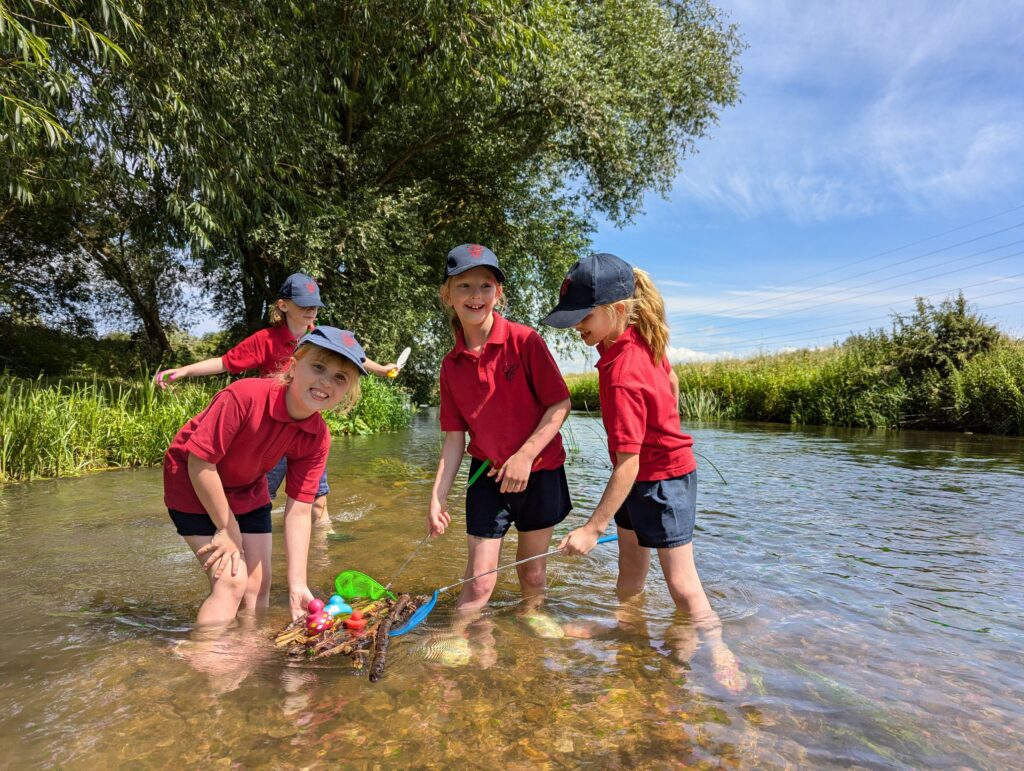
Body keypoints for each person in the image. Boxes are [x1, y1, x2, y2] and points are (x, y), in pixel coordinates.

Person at [541, 252, 746, 692]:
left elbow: (628, 461)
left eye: (584, 317)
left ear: (616, 309)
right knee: (630, 567)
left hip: (663, 481)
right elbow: (670, 384)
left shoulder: (621, 371)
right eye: (574, 319)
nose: (578, 328)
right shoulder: (638, 341)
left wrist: (592, 529)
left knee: (681, 583)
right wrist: (664, 420)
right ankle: (626, 628)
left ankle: (718, 646)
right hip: (642, 478)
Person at [154, 273, 400, 526]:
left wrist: (381, 369)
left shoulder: (322, 339)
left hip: (304, 433)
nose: (311, 311)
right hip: (267, 432)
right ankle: (238, 533)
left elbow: (351, 359)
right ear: (283, 306)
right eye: (304, 305)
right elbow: (226, 362)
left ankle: (322, 549)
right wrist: (184, 370)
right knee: (260, 497)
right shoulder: (265, 340)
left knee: (317, 496)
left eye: (314, 306)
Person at [163, 326, 367, 628]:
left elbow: (299, 510)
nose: (326, 381)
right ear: (294, 366)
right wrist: (227, 527)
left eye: (340, 377)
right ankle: (206, 661)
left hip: (247, 487)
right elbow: (200, 462)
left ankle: (248, 648)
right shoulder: (244, 395)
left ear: (348, 391)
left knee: (258, 585)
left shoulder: (318, 437)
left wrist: (298, 583)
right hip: (192, 482)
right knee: (232, 582)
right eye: (319, 367)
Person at [427, 243, 573, 613]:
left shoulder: (525, 341)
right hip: (487, 477)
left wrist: (525, 455)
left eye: (485, 286)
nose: (476, 296)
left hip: (540, 472)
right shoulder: (450, 366)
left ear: (498, 293)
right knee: (479, 580)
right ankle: (458, 637)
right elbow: (454, 439)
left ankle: (531, 623)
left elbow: (560, 403)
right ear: (448, 295)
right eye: (464, 286)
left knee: (533, 574)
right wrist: (437, 496)